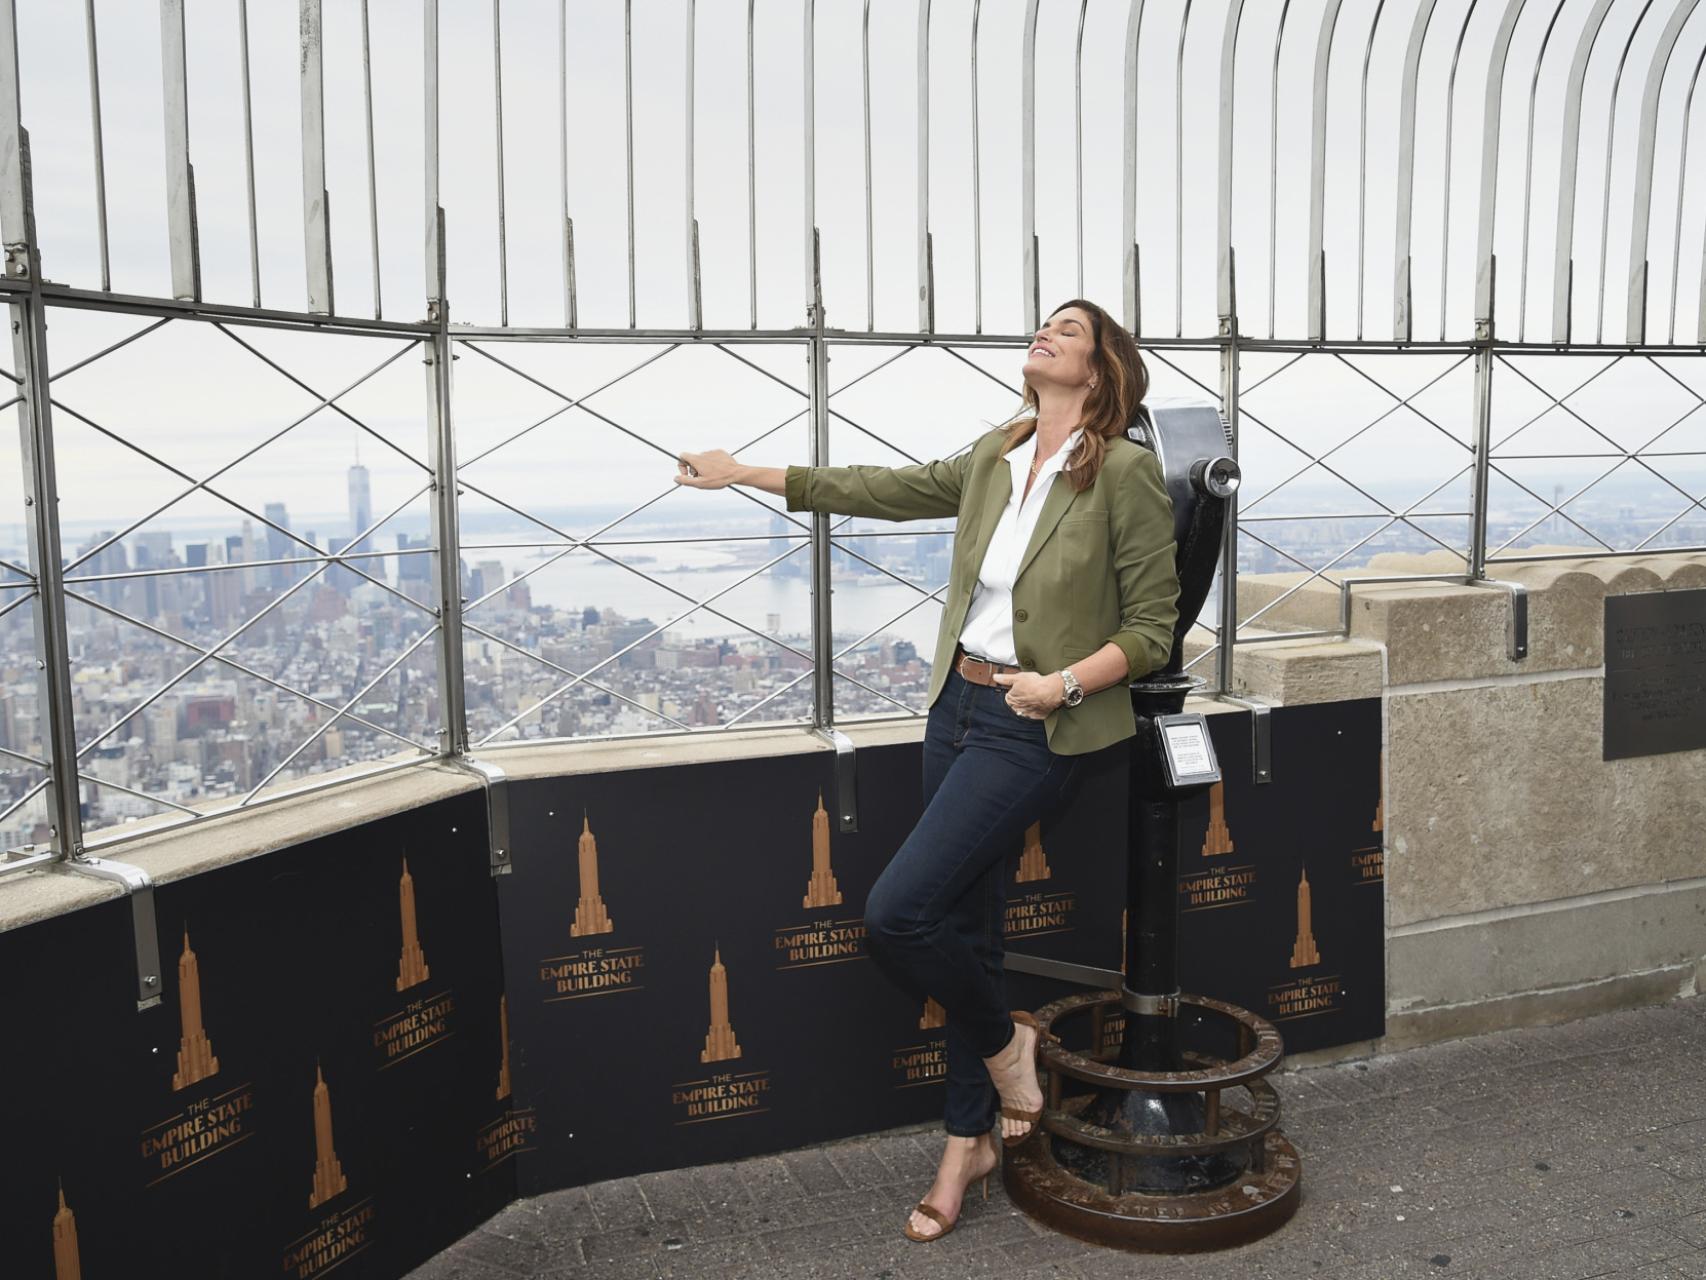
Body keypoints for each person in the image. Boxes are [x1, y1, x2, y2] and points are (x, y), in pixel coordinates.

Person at [673, 299, 1180, 1243]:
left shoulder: (1123, 472)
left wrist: (1063, 684)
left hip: (1034, 723)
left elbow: (1154, 627)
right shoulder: (997, 453)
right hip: (956, 708)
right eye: (1045, 324)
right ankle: (965, 1146)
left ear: (1103, 368)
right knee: (966, 932)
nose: (1046, 333)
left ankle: (1007, 1044)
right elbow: (882, 488)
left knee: (898, 914)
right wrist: (743, 471)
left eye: (1070, 330)